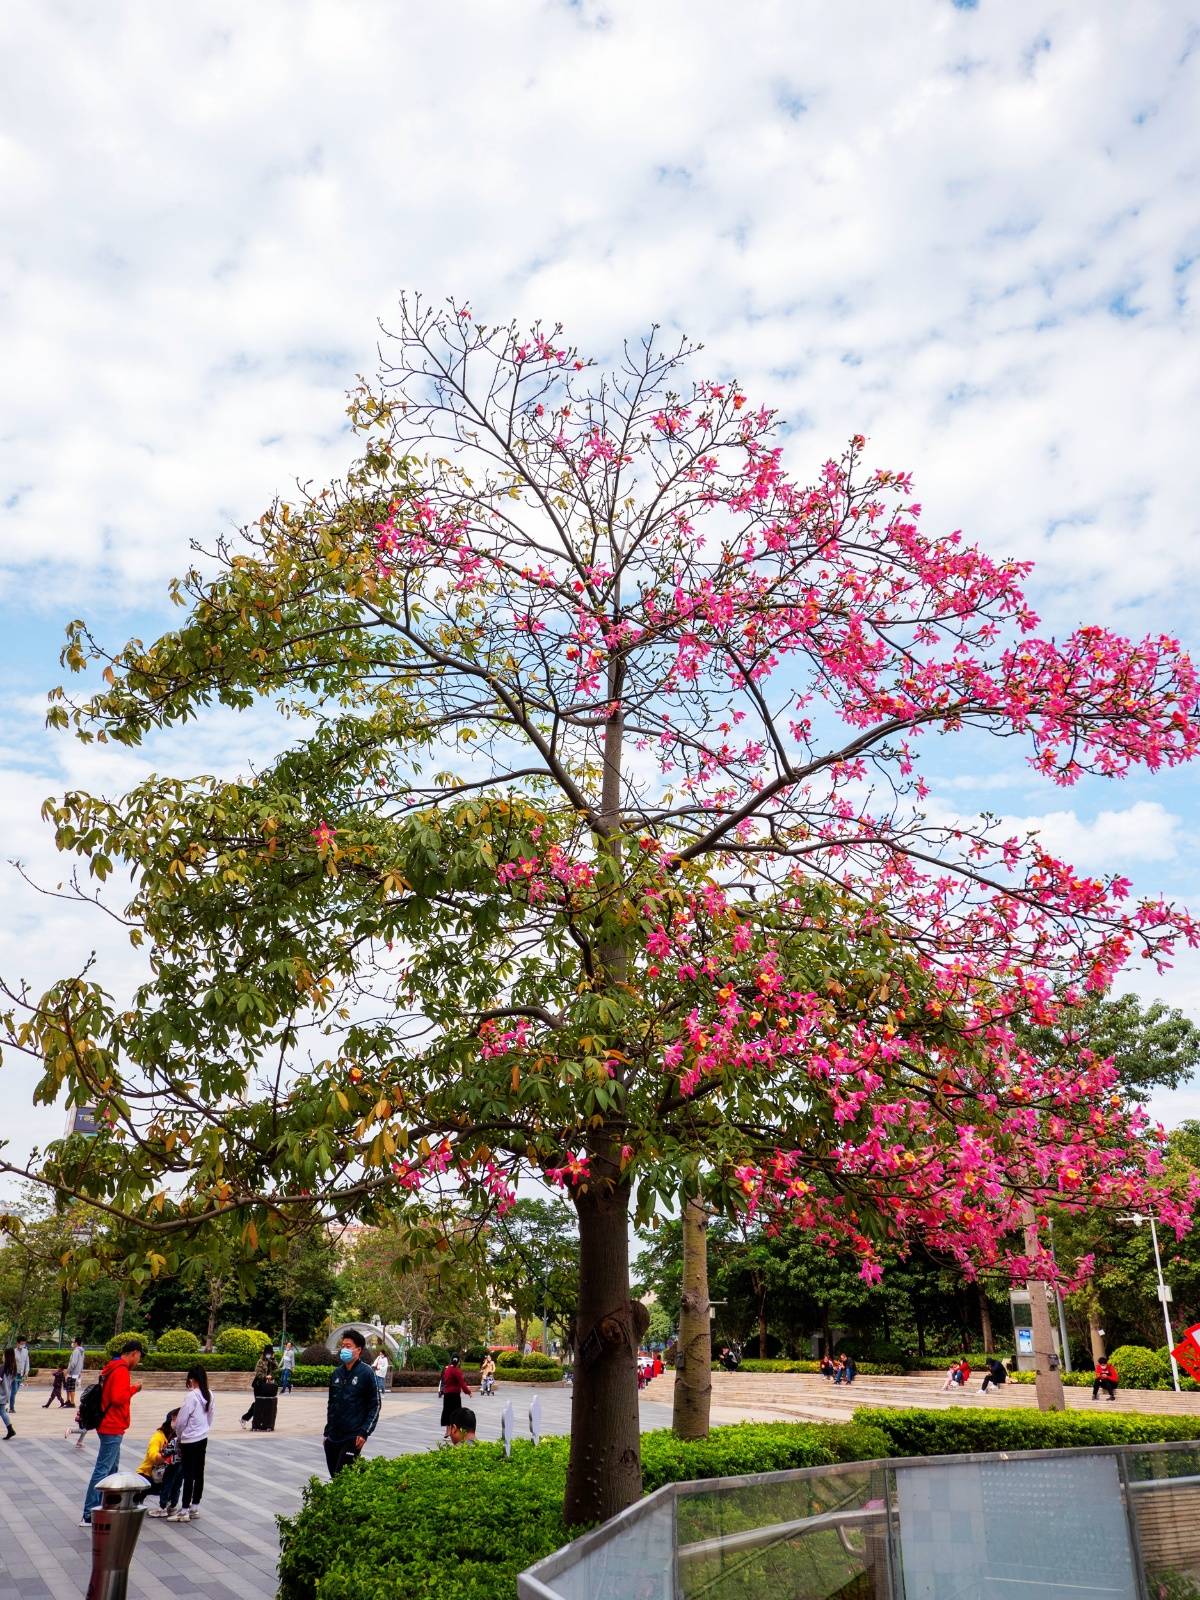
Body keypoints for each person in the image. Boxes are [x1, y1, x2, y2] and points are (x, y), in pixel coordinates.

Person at [80, 1338, 144, 1527]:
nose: (138, 1361)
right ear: (133, 1353)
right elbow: (118, 1397)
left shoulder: (113, 1367)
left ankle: (106, 1506)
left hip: (109, 1424)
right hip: (112, 1425)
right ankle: (89, 1513)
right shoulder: (121, 1370)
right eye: (138, 1357)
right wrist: (135, 1389)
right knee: (103, 1470)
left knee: (111, 1470)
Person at [324, 1329, 381, 1476]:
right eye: (343, 1346)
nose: (344, 1349)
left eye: (348, 1346)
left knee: (342, 1475)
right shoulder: (336, 1373)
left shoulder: (367, 1373)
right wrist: (327, 1433)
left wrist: (364, 1432)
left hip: (353, 1436)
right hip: (333, 1437)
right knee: (335, 1476)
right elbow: (331, 1404)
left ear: (358, 1350)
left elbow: (375, 1405)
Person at [171, 1366, 215, 1523]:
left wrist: (179, 1435)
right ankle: (194, 1507)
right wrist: (203, 1429)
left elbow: (181, 1421)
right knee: (199, 1473)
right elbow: (210, 1417)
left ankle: (184, 1510)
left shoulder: (191, 1396)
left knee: (188, 1475)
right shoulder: (209, 1394)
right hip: (202, 1438)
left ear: (192, 1379)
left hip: (189, 1440)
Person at [142, 1409, 182, 1518]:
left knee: (173, 1484)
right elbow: (153, 1455)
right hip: (156, 1470)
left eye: (176, 1419)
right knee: (173, 1483)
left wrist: (165, 1455)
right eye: (173, 1419)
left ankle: (166, 1507)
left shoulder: (178, 1436)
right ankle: (169, 1506)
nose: (174, 1422)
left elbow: (167, 1452)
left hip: (172, 1466)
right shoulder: (160, 1436)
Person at [437, 1352, 471, 1440]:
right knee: (456, 1413)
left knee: (447, 1411)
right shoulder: (457, 1371)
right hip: (455, 1395)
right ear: (458, 1361)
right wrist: (468, 1392)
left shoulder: (447, 1369)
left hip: (447, 1394)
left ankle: (447, 1431)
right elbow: (462, 1383)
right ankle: (454, 1432)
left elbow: (444, 1380)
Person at [241, 1348, 277, 1429]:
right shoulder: (260, 1361)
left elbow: (276, 1368)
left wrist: (273, 1359)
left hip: (267, 1386)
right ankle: (248, 1420)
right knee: (258, 1403)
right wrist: (266, 1377)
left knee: (263, 1403)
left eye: (271, 1353)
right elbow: (258, 1373)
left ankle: (257, 1421)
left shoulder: (271, 1361)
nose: (269, 1355)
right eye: (268, 1353)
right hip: (259, 1385)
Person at [0, 1348, 15, 1439]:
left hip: (1, 1393)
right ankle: (10, 1430)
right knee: (1, 1411)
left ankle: (10, 1430)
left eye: (3, 1355)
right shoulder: (13, 1367)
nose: (2, 1357)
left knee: (2, 1411)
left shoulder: (3, 1367)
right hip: (6, 1392)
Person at [66, 1337, 86, 1405]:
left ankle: (72, 1402)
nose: (72, 1343)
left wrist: (68, 1371)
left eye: (73, 1342)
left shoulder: (76, 1351)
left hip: (73, 1372)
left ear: (76, 1343)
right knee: (70, 1387)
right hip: (77, 1372)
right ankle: (68, 1401)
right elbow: (82, 1362)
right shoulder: (82, 1351)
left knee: (71, 1387)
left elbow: (73, 1363)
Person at [11, 1335, 29, 1409]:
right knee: (14, 1389)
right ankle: (11, 1407)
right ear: (17, 1343)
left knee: (16, 1390)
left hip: (21, 1374)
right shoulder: (13, 1352)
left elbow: (27, 1362)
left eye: (24, 1344)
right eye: (21, 1343)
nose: (23, 1345)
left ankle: (6, 1402)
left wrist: (26, 1372)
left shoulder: (26, 1351)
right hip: (14, 1373)